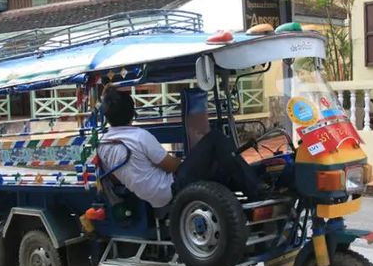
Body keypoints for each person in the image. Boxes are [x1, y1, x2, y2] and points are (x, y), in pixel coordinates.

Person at [98, 85, 261, 208]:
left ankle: (246, 194)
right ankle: (257, 192)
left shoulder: (103, 144)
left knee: (218, 168)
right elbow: (171, 166)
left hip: (152, 198)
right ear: (132, 114)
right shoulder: (139, 136)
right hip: (169, 188)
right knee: (216, 138)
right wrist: (188, 160)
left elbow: (114, 176)